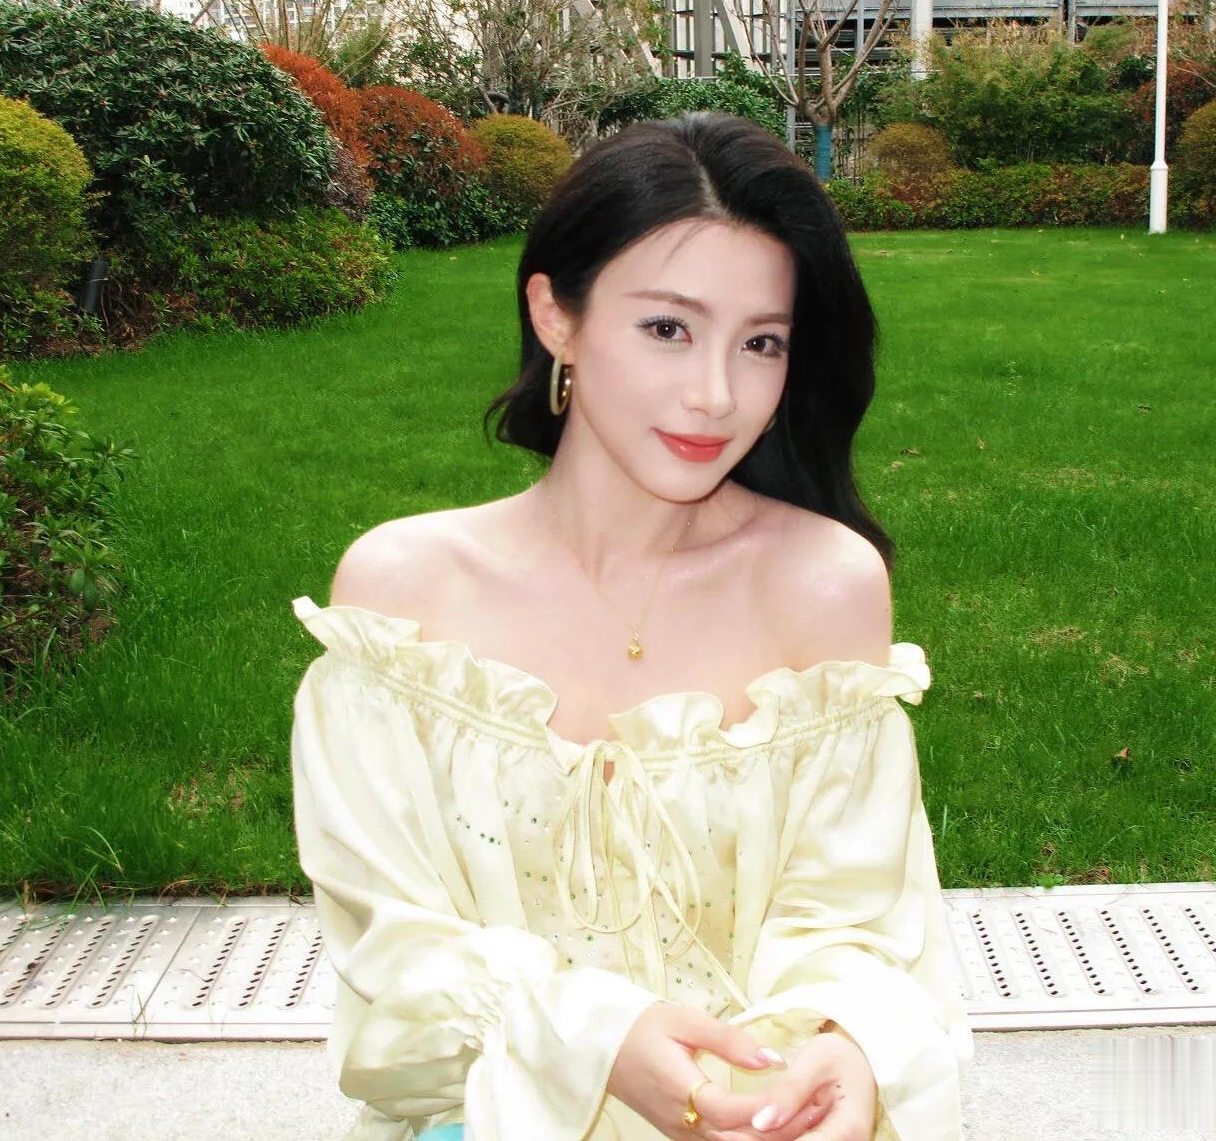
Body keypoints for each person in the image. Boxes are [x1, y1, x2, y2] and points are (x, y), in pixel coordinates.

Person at [289, 110, 974, 1141]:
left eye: (762, 343)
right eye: (667, 329)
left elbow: (855, 913)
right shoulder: (405, 597)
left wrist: (844, 1042)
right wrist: (594, 1041)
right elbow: (391, 946)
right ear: (555, 317)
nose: (715, 395)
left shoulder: (825, 586)